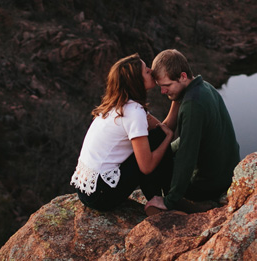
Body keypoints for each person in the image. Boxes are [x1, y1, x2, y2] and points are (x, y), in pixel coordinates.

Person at [70, 53, 174, 211]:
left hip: (86, 191)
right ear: (136, 82)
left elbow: (161, 127)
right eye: (146, 71)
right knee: (158, 140)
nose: (151, 71)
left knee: (155, 138)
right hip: (101, 194)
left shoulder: (116, 105)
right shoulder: (134, 111)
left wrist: (176, 97)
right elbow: (147, 165)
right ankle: (166, 200)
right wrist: (168, 139)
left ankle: (156, 199)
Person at [145, 49, 240, 215]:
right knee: (163, 151)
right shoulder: (205, 88)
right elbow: (188, 140)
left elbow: (186, 156)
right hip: (226, 174)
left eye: (166, 85)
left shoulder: (192, 105)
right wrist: (167, 148)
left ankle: (179, 206)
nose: (163, 91)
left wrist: (170, 200)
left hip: (208, 185)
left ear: (182, 76)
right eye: (161, 87)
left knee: (154, 163)